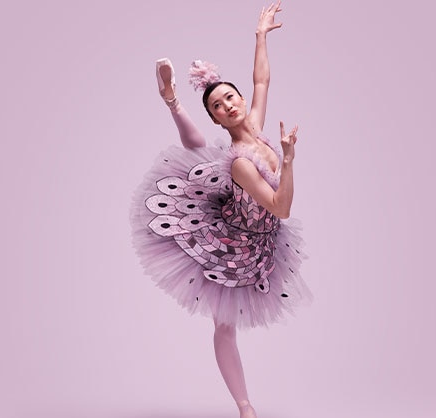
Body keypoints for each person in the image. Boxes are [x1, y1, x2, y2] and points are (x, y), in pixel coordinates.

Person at [130, 2, 309, 417]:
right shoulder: (243, 162)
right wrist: (290, 159)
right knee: (224, 325)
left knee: (228, 323)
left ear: (241, 100)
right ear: (215, 119)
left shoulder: (258, 128)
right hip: (231, 242)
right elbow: (282, 208)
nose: (228, 105)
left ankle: (172, 100)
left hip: (264, 242)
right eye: (218, 106)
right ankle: (245, 408)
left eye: (231, 98)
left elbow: (261, 80)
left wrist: (260, 35)